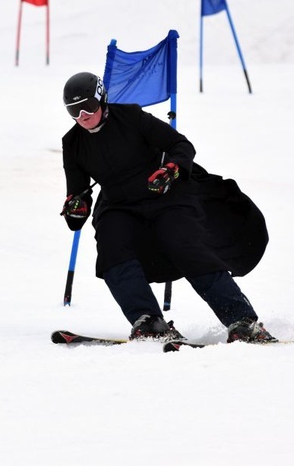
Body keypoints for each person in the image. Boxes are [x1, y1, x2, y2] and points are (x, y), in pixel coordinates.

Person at [59, 71, 277, 343]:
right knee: (111, 249)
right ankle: (149, 321)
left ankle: (243, 321)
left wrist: (171, 170)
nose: (83, 117)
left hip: (164, 193)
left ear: (101, 98)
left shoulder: (131, 117)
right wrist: (76, 209)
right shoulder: (73, 143)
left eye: (88, 107)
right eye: (74, 111)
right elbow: (78, 196)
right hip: (119, 204)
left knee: (184, 244)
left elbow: (180, 145)